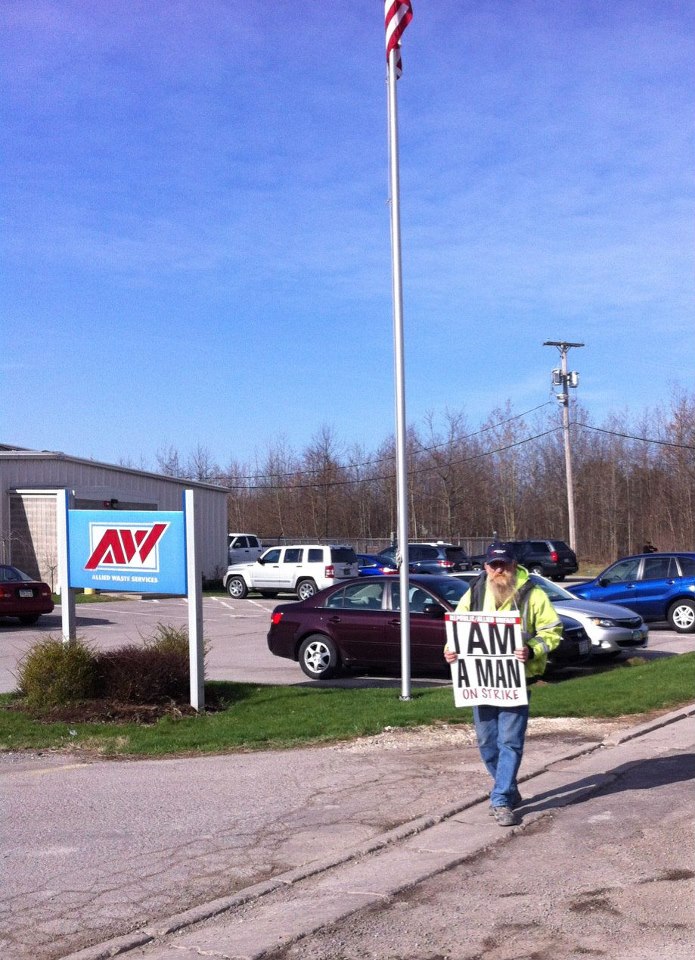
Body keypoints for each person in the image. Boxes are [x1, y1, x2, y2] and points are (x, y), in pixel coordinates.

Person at [444, 541, 563, 827]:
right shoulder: (475, 591)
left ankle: (500, 800)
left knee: (510, 741)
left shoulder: (532, 594)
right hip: (479, 681)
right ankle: (508, 788)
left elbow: (553, 630)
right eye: (493, 565)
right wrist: (450, 650)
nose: (499, 570)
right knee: (487, 743)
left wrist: (532, 649)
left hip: (515, 681)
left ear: (514, 565)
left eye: (504, 564)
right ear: (486, 566)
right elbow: (458, 628)